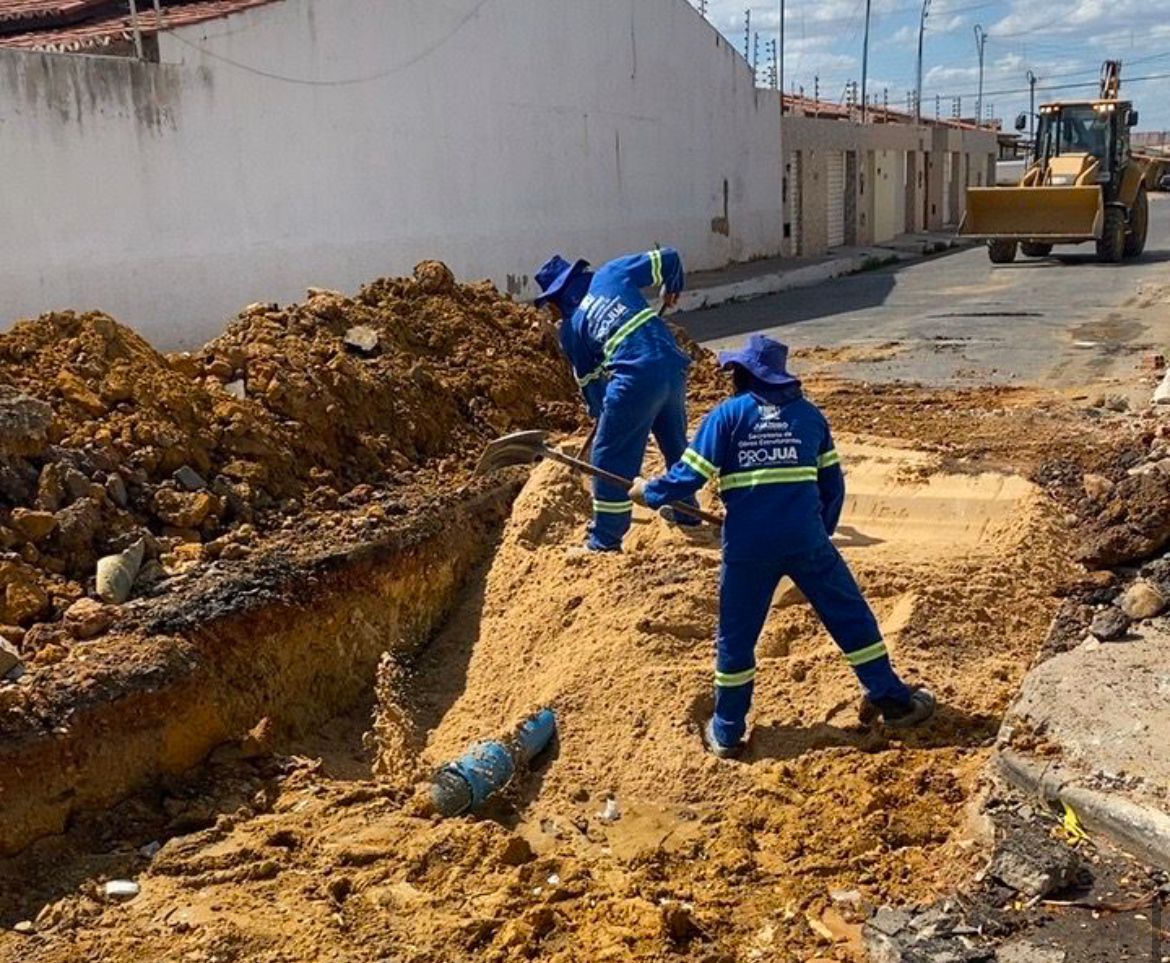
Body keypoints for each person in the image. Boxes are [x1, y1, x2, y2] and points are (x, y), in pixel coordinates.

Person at [629, 334, 935, 757]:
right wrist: (817, 531)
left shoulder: (727, 417)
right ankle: (893, 702)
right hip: (807, 540)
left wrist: (650, 492)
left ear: (744, 375)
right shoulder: (810, 418)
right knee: (852, 619)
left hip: (748, 548)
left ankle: (728, 731)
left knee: (736, 639)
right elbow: (833, 485)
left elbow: (689, 476)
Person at [533, 249, 699, 552]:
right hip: (672, 364)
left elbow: (593, 387)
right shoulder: (612, 273)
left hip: (635, 376)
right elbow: (671, 258)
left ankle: (604, 540)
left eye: (552, 307)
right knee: (675, 443)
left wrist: (606, 420)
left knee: (610, 456)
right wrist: (671, 287)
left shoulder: (572, 329)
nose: (554, 314)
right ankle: (687, 513)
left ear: (559, 299)